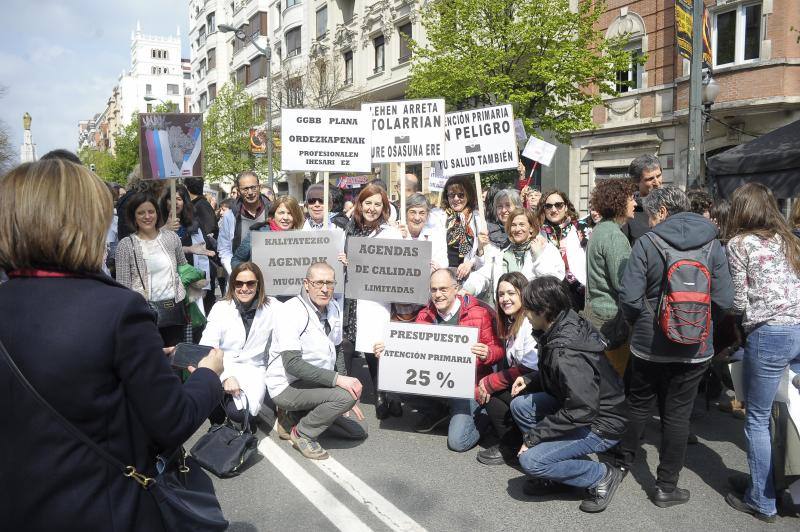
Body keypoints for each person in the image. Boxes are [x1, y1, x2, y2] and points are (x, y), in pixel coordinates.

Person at [0, 159, 224, 531]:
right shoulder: (117, 309)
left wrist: (146, 360)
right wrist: (207, 376)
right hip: (102, 508)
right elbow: (172, 420)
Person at [617, 186, 733, 507]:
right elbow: (724, 300)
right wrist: (704, 324)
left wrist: (640, 321)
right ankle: (666, 487)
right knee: (678, 415)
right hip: (696, 348)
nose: (650, 222)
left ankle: (622, 462)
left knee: (639, 403)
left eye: (652, 215)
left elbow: (628, 296)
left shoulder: (646, 243)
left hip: (648, 344)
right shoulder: (713, 244)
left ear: (664, 212)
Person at [510, 276, 628, 513]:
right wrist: (531, 379)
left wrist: (534, 438)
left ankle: (601, 475)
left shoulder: (566, 351)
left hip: (601, 423)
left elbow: (581, 409)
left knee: (530, 461)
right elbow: (569, 381)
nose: (525, 315)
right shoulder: (566, 322)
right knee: (521, 405)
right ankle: (559, 472)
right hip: (583, 407)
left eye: (529, 310)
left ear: (544, 310)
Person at [723, 183, 800, 522]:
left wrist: (731, 320)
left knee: (757, 417)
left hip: (768, 332)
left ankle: (762, 499)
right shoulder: (788, 240)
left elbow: (739, 299)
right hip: (797, 328)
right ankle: (773, 483)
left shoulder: (740, 243)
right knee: (787, 411)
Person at [267, 262, 367, 460]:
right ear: (306, 284)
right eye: (318, 282)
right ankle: (302, 433)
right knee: (345, 398)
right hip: (286, 386)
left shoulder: (335, 307)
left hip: (313, 381)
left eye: (329, 283)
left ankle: (293, 418)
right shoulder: (290, 311)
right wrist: (340, 383)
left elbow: (338, 350)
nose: (324, 289)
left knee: (358, 431)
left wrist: (346, 384)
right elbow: (292, 364)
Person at [409, 268, 504, 450]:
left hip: (467, 388)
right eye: (434, 289)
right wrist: (389, 351)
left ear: (456, 288)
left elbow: (498, 350)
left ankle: (484, 418)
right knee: (395, 383)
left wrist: (488, 354)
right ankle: (438, 411)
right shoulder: (424, 316)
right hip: (434, 383)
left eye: (443, 289)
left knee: (457, 443)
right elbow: (411, 351)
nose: (438, 295)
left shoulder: (478, 313)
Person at [341, 183, 403, 419]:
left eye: (378, 204)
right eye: (368, 203)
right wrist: (345, 261)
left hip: (379, 301)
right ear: (360, 204)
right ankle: (362, 395)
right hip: (354, 299)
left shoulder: (391, 233)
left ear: (384, 207)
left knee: (379, 349)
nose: (372, 208)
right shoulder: (349, 230)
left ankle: (386, 393)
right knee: (358, 345)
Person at [201, 262, 279, 428]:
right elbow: (207, 346)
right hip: (223, 365)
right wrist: (226, 377)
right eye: (239, 283)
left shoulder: (273, 307)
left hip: (253, 368)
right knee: (208, 398)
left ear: (258, 285)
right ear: (232, 284)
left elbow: (299, 310)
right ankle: (217, 411)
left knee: (241, 414)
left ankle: (233, 411)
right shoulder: (220, 308)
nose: (244, 288)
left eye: (250, 283)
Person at [475, 272, 538, 465]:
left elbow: (528, 367)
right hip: (522, 382)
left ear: (523, 294)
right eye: (501, 294)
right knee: (489, 394)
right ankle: (512, 440)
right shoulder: (510, 322)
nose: (505, 299)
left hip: (537, 383)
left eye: (511, 293)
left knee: (490, 390)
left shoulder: (529, 322)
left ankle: (511, 444)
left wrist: (489, 381)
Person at [115, 192, 190, 347]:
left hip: (173, 310)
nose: (147, 216)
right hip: (143, 315)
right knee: (150, 361)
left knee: (174, 361)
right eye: (141, 213)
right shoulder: (125, 245)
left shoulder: (171, 238)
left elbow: (183, 267)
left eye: (151, 211)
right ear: (133, 216)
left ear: (157, 213)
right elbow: (122, 287)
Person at [584, 179, 637, 376]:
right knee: (612, 382)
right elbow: (624, 283)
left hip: (597, 314)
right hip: (610, 320)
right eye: (631, 199)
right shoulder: (614, 236)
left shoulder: (600, 230)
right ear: (619, 202)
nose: (635, 204)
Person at [463, 208, 564, 305]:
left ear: (531, 228)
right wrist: (467, 290)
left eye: (522, 224)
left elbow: (552, 282)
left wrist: (538, 257)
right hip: (507, 310)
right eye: (513, 225)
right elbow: (483, 275)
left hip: (535, 312)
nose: (517, 229)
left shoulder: (545, 249)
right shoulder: (503, 254)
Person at [538, 189, 588, 310]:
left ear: (566, 207)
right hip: (551, 293)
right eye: (548, 206)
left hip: (580, 291)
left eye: (559, 205)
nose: (554, 209)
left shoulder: (580, 228)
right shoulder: (539, 234)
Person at [218, 171, 271, 275]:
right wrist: (235, 271)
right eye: (245, 189)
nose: (250, 192)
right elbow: (224, 249)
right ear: (238, 191)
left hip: (269, 275)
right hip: (239, 278)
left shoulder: (272, 211)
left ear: (259, 187)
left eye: (253, 187)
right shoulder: (230, 216)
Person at [231, 195, 305, 269]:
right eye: (281, 213)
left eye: (290, 213)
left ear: (296, 216)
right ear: (273, 215)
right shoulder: (257, 234)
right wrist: (249, 273)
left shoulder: (303, 238)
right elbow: (236, 260)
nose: (285, 218)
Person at [440, 175, 484, 280]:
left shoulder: (478, 218)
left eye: (461, 195)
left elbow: (483, 258)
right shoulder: (438, 216)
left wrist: (470, 263)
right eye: (451, 195)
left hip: (468, 278)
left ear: (468, 196)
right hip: (443, 276)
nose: (456, 199)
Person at [396, 193, 448, 270]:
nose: (417, 218)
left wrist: (438, 267)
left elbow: (443, 263)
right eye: (413, 212)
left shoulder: (437, 237)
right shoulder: (395, 233)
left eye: (422, 213)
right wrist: (395, 236)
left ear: (427, 215)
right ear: (406, 213)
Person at [621, 154, 663, 244]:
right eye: (650, 179)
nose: (657, 182)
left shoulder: (673, 205)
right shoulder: (629, 211)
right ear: (636, 182)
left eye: (658, 176)